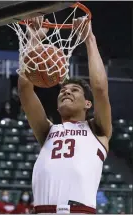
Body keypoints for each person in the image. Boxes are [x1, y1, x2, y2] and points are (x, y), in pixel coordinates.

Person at [18, 16, 112, 214]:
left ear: (88, 104)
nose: (66, 91)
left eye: (74, 90)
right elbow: (25, 90)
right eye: (63, 90)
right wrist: (34, 40)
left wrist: (89, 39)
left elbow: (100, 89)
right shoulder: (47, 130)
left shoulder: (98, 130)